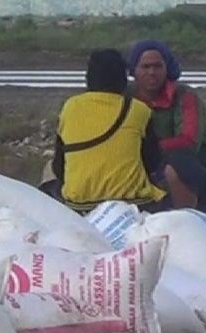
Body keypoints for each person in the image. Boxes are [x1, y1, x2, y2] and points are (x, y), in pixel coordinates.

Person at [46, 48, 168, 212]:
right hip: (133, 203)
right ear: (123, 78)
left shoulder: (70, 106)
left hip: (80, 204)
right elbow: (152, 161)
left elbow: (59, 165)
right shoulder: (138, 109)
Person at [127, 39, 206, 212]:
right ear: (134, 70)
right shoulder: (125, 96)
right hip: (142, 166)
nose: (152, 72)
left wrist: (147, 148)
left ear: (167, 68)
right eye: (145, 67)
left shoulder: (185, 96)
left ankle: (187, 218)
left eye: (157, 66)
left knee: (175, 166)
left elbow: (189, 141)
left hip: (196, 168)